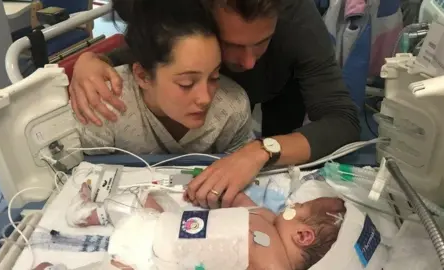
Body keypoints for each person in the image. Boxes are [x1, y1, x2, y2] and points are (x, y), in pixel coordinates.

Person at [68, 0, 361, 208]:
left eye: (262, 41)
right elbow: (149, 53)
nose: (248, 62)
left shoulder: (296, 20)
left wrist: (262, 150)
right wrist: (92, 61)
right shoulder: (187, 19)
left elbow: (343, 120)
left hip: (279, 94)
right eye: (232, 44)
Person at [75, 0, 253, 156]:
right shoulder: (103, 105)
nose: (205, 98)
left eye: (214, 77)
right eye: (186, 84)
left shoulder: (231, 108)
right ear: (143, 76)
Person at [42, 182, 345, 270]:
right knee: (140, 198)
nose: (290, 206)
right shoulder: (267, 217)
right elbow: (238, 201)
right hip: (161, 224)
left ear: (303, 235)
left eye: (297, 208)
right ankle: (86, 213)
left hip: (156, 261)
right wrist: (222, 191)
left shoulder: (273, 266)